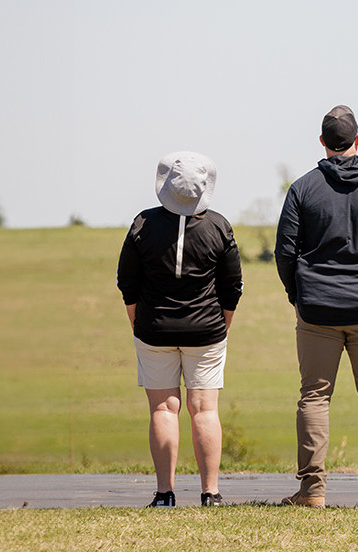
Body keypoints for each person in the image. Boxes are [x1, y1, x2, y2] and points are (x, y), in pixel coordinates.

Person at [275, 105, 358, 508]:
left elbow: (285, 252)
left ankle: (312, 490)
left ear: (322, 142)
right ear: (357, 140)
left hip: (316, 309)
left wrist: (297, 294)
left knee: (314, 397)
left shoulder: (302, 188)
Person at [116, 151, 242, 508]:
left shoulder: (142, 223)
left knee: (162, 409)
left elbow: (127, 282)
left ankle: (164, 493)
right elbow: (233, 287)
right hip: (207, 330)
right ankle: (211, 493)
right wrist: (222, 327)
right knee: (204, 409)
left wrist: (137, 324)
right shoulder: (219, 226)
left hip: (153, 329)